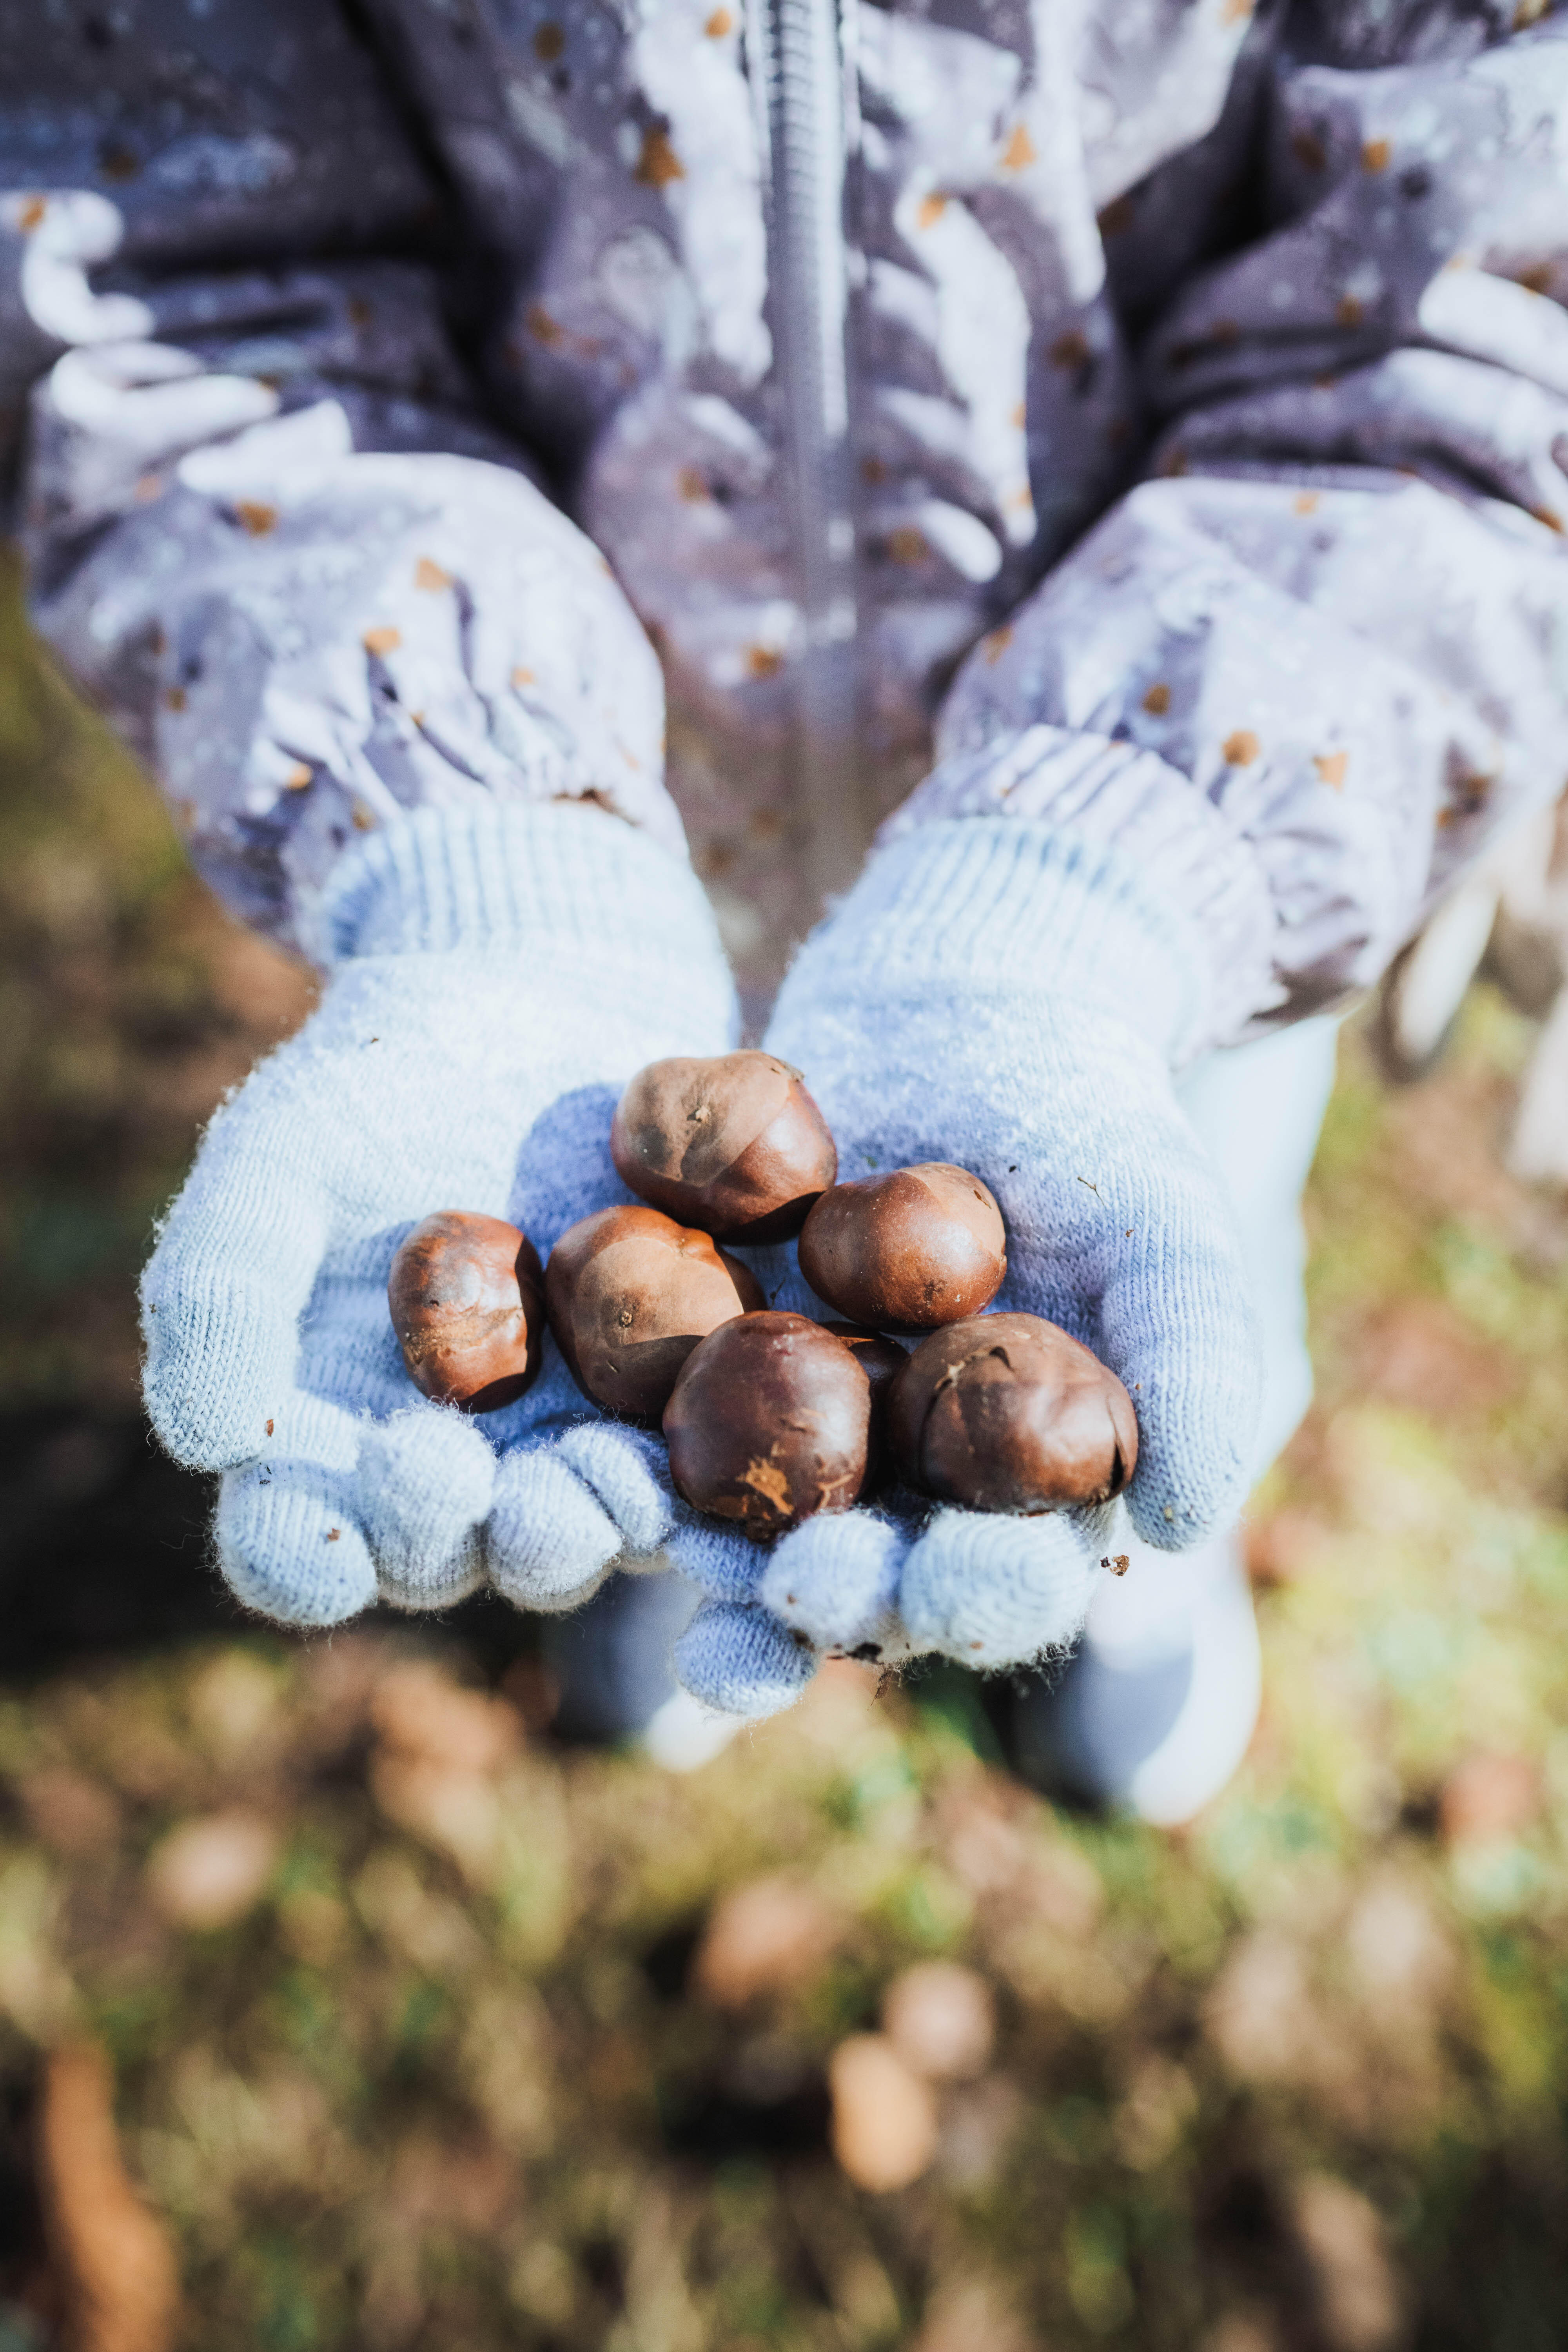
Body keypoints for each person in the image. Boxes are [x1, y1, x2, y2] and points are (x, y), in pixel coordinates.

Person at [5, 0, 1566, 1820]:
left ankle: (1140, 1547)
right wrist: (474, 829)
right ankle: (652, 1545)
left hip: (1148, 831)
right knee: (695, 1372)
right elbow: (161, 258)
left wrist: (1118, 873)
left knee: (1159, 1203)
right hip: (612, 759)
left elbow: (1480, 313)